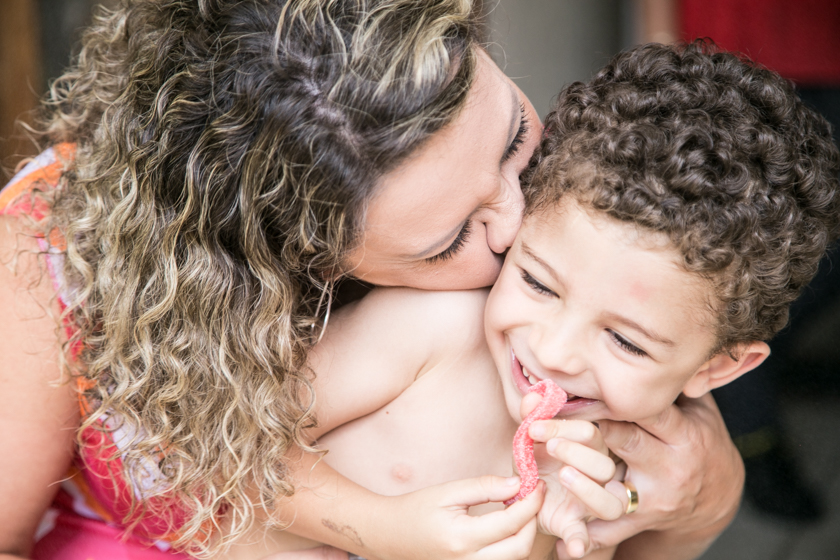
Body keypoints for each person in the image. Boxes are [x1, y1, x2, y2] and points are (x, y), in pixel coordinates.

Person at [0, 1, 747, 559]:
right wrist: (375, 528)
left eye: (515, 140)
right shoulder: (50, 257)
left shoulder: (576, 251)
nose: (521, 219)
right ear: (303, 258)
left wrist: (710, 488)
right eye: (452, 237)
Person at [231, 41, 840, 560]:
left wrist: (576, 540)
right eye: (539, 284)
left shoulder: (626, 465)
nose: (554, 351)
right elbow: (225, 445)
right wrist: (382, 528)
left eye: (625, 341)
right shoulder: (433, 327)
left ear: (716, 368)